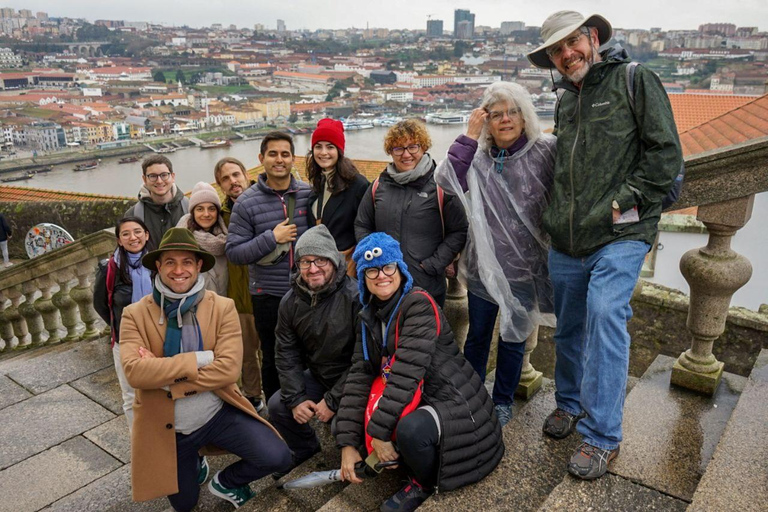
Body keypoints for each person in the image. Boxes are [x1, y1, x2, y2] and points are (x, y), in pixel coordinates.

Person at [527, 11, 683, 479]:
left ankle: (602, 437)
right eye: (557, 50)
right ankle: (570, 403)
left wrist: (624, 203)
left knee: (605, 317)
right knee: (569, 326)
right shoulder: (564, 102)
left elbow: (666, 153)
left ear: (593, 37)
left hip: (622, 233)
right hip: (569, 237)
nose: (566, 54)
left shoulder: (636, 81)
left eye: (572, 42)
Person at [120, 228, 292, 511]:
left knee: (278, 457)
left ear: (199, 265)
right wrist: (200, 358)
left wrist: (163, 375)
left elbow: (227, 371)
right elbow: (135, 373)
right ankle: (195, 460)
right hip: (170, 429)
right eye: (170, 262)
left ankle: (226, 481)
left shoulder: (222, 307)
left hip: (217, 413)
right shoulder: (135, 314)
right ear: (159, 267)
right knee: (185, 504)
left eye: (187, 262)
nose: (179, 270)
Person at [335, 232, 504, 511]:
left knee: (410, 432)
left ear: (400, 270)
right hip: (420, 395)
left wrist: (378, 433)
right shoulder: (369, 315)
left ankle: (422, 483)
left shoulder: (418, 305)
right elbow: (360, 373)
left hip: (453, 400)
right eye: (372, 271)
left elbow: (405, 375)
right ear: (363, 278)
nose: (381, 276)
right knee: (344, 426)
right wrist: (348, 442)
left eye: (388, 267)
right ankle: (405, 453)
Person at [435, 81, 557, 428]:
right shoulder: (476, 155)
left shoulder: (545, 150)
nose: (505, 120)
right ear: (485, 120)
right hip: (482, 269)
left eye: (512, 112)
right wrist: (469, 137)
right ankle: (472, 398)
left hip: (523, 268)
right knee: (476, 336)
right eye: (496, 114)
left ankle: (502, 400)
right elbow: (446, 180)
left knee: (514, 338)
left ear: (524, 115)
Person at [226, 132, 311, 402]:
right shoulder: (246, 203)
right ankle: (278, 413)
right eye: (273, 154)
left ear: (293, 159)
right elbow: (234, 252)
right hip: (268, 295)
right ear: (262, 159)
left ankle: (309, 408)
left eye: (285, 154)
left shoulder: (309, 194)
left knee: (310, 354)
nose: (279, 159)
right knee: (274, 358)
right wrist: (271, 238)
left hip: (308, 292)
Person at [268, 224, 360, 474]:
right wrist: (296, 398)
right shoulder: (290, 302)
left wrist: (332, 399)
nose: (313, 268)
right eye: (305, 261)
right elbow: (286, 354)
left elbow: (365, 361)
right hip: (319, 375)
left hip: (354, 380)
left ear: (333, 260)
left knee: (340, 426)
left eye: (320, 260)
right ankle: (306, 450)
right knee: (278, 405)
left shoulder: (355, 297)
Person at [354, 119, 468, 307]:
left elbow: (459, 230)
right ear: (391, 152)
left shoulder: (441, 186)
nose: (406, 154)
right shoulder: (378, 187)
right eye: (398, 148)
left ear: (423, 147)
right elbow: (362, 224)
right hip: (385, 286)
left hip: (426, 286)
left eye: (412, 147)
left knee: (425, 335)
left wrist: (433, 264)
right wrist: (374, 256)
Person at [93, 216, 153, 429]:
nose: (133, 237)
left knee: (161, 391)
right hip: (125, 340)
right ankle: (140, 444)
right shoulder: (109, 269)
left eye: (137, 232)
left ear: (146, 235)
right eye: (125, 234)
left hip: (157, 336)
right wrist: (121, 327)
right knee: (130, 395)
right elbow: (101, 305)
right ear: (119, 240)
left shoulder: (159, 264)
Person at [214, 157, 264, 412]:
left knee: (276, 349)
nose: (233, 181)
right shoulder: (219, 216)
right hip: (239, 295)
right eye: (226, 178)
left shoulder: (266, 201)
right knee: (246, 355)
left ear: (246, 174)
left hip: (269, 289)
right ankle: (254, 397)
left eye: (236, 174)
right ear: (220, 185)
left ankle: (279, 395)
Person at [306, 118, 369, 276]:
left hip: (345, 269)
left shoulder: (357, 185)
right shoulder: (318, 182)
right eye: (318, 146)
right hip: (319, 267)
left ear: (339, 151)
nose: (323, 152)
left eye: (330, 147)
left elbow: (368, 227)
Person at [125, 155, 189, 251]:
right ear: (144, 179)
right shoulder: (133, 215)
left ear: (172, 176)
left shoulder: (190, 208)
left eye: (164, 175)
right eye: (153, 176)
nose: (159, 181)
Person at [176, 181, 228, 296]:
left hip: (226, 305)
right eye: (200, 209)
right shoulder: (180, 239)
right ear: (192, 212)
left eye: (211, 209)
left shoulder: (227, 238)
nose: (206, 214)